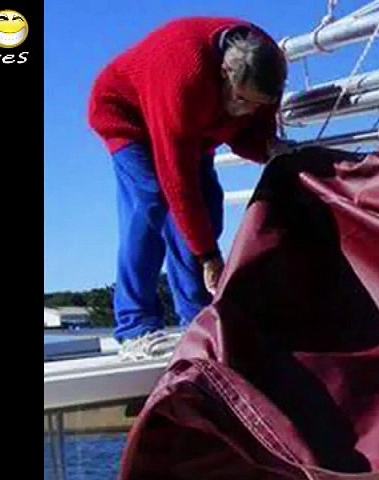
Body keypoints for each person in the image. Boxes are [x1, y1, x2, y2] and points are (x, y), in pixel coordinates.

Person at [88, 17, 290, 359]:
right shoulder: (185, 74)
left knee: (208, 206)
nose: (247, 111)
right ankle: (135, 326)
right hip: (128, 115)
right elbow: (177, 180)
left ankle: (194, 317)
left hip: (196, 128)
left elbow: (248, 134)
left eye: (257, 105)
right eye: (242, 100)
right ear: (225, 73)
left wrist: (270, 149)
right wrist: (209, 256)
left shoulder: (267, 71)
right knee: (152, 201)